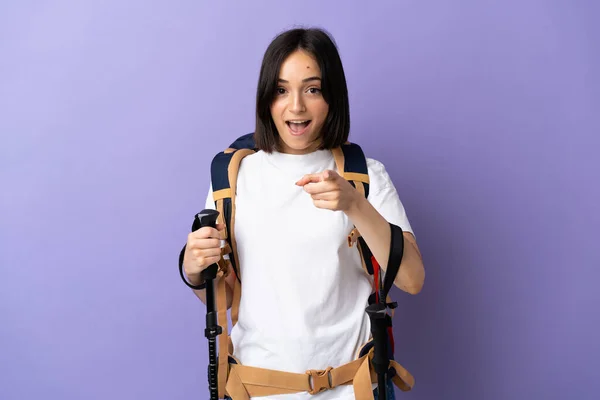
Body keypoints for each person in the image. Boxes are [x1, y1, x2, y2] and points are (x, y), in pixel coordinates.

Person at [181, 27, 425, 400]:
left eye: (312, 89)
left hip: (353, 389)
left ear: (332, 98)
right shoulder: (233, 178)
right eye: (281, 90)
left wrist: (355, 205)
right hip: (257, 389)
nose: (296, 106)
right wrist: (195, 270)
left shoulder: (364, 175)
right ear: (266, 99)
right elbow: (226, 300)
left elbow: (412, 278)